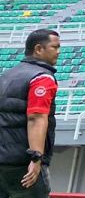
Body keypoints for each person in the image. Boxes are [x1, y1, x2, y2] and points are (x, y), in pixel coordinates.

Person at [0, 29, 59, 198]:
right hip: (23, 163)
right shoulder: (42, 78)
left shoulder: (6, 76)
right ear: (39, 49)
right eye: (55, 47)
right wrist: (36, 158)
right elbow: (36, 117)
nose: (59, 51)